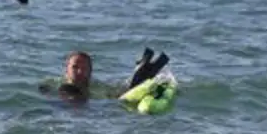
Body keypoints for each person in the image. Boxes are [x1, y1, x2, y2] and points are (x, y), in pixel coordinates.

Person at [41, 48, 170, 101]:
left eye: (84, 68)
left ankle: (145, 67)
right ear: (66, 69)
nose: (79, 71)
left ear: (90, 72)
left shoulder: (99, 88)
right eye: (75, 67)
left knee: (128, 89)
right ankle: (144, 65)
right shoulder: (52, 85)